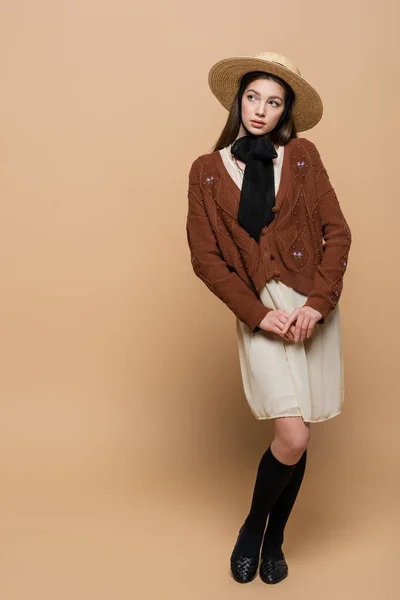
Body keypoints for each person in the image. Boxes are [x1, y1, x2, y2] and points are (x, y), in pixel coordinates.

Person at [186, 51, 352, 585]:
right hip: (261, 312)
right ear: (239, 100)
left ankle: (274, 539)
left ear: (286, 111)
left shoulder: (302, 156)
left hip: (309, 309)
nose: (261, 110)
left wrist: (316, 306)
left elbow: (338, 234)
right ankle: (254, 529)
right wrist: (259, 315)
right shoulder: (207, 172)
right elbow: (206, 258)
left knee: (298, 432)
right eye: (253, 98)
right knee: (293, 434)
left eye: (274, 102)